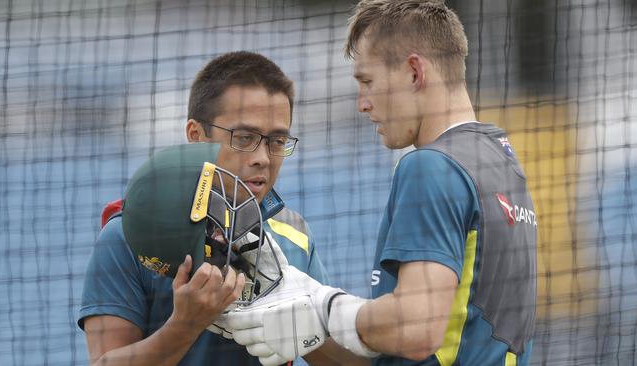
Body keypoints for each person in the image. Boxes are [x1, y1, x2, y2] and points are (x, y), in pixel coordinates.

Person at [227, 1, 537, 365]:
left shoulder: (431, 166)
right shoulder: (501, 158)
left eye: (367, 82)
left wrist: (324, 308)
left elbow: (416, 331)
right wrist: (300, 310)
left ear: (413, 72)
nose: (362, 104)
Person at [78, 51, 330, 365]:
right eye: (245, 137)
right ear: (196, 137)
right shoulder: (128, 235)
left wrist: (306, 317)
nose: (263, 158)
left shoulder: (295, 235)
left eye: (277, 141)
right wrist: (185, 325)